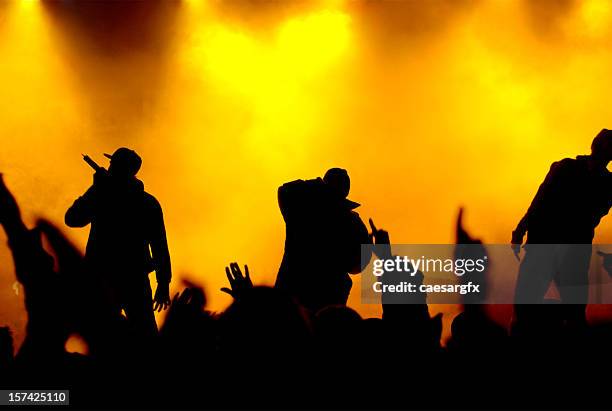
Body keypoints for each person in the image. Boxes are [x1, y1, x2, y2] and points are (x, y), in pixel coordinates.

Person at [65, 148, 171, 337]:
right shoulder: (148, 202)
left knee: (104, 337)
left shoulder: (103, 196)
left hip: (106, 278)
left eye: (113, 165)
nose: (109, 167)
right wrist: (163, 284)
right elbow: (160, 246)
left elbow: (73, 218)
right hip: (133, 279)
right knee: (145, 337)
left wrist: (96, 190)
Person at [511, 129, 612, 326]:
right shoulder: (565, 168)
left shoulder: (605, 182)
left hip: (565, 249)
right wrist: (520, 230)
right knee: (527, 307)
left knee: (571, 311)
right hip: (550, 245)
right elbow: (539, 201)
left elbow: (539, 202)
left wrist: (520, 230)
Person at [275, 168, 372, 312]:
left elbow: (358, 264)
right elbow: (285, 190)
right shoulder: (302, 213)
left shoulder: (300, 212)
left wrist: (317, 185)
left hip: (314, 302)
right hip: (301, 300)